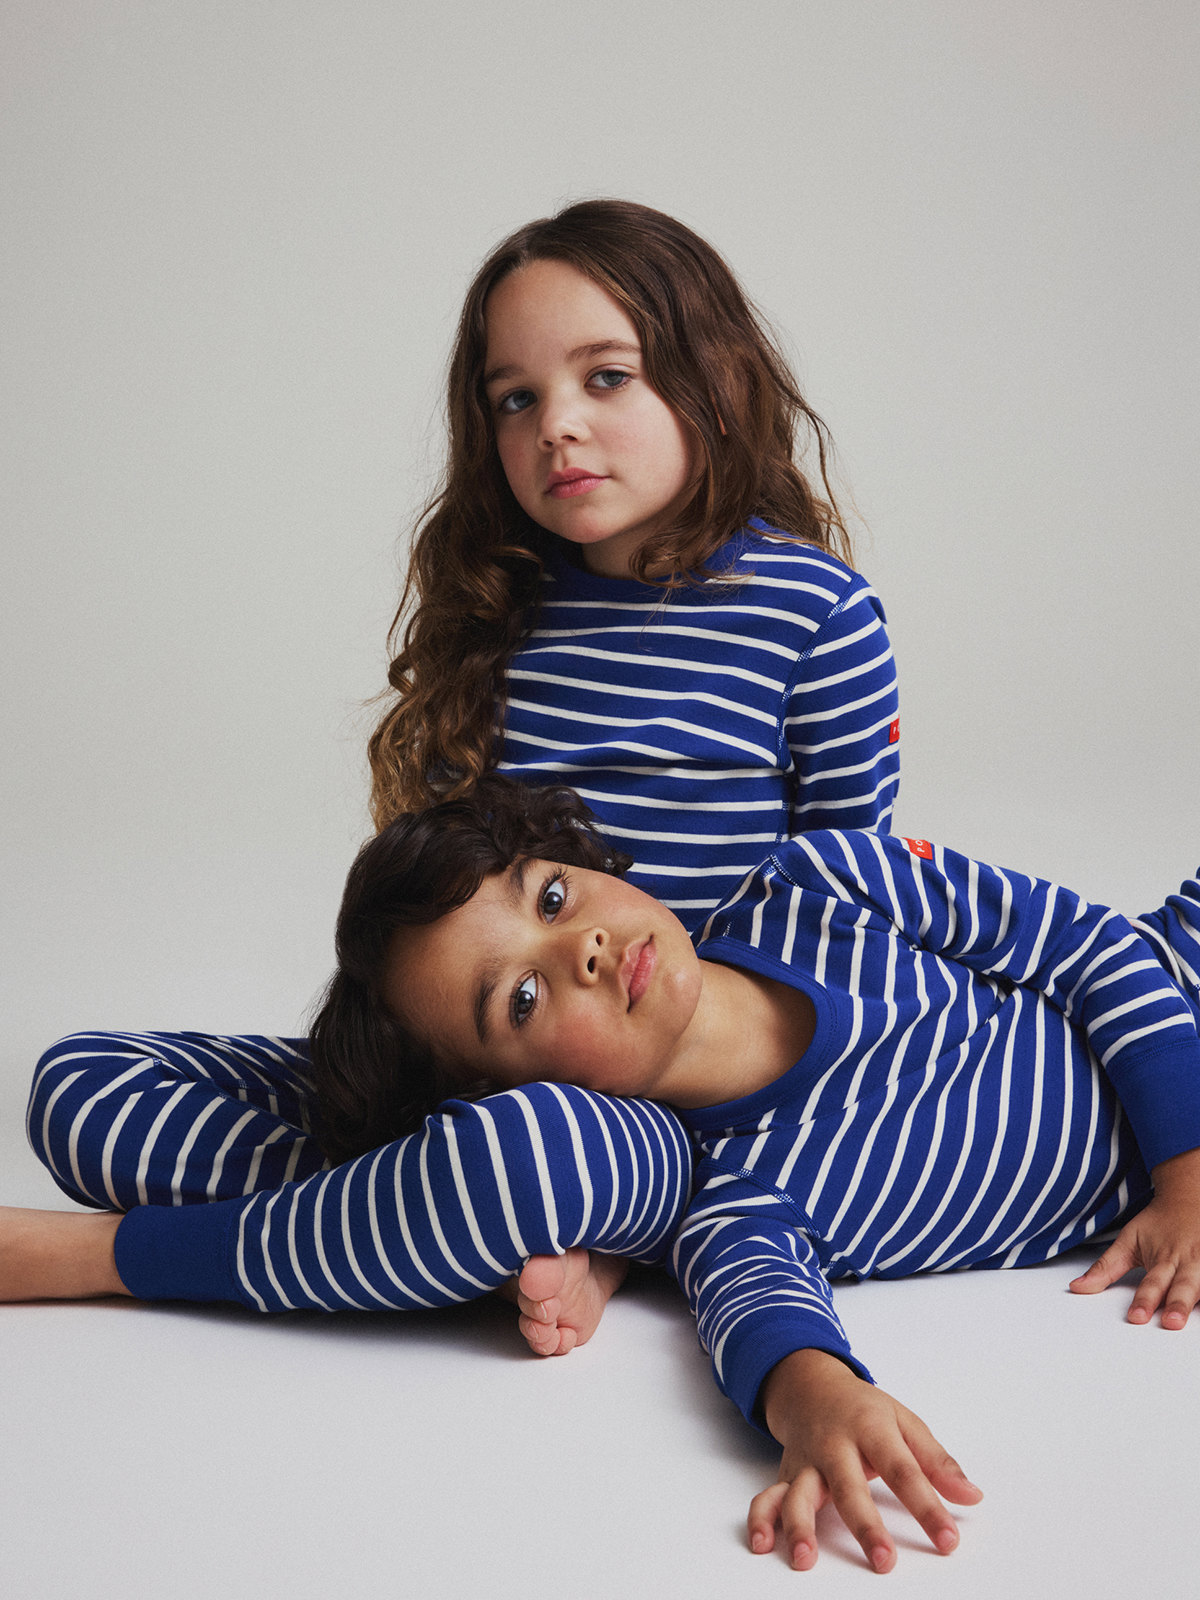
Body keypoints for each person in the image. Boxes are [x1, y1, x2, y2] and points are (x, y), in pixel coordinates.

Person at [22, 199, 901, 1353]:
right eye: (515, 399)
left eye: (606, 377)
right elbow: (454, 913)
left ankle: (122, 1256)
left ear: (718, 379)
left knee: (523, 1159)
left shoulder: (814, 613)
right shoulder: (500, 612)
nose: (557, 427)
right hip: (503, 1059)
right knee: (77, 1091)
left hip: (676, 1114)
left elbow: (853, 902)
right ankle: (428, 1216)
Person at [12, 778, 1200, 1574]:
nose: (578, 945)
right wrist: (823, 1404)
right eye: (522, 998)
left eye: (550, 896)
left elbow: (1095, 946)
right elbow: (765, 1309)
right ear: (513, 1093)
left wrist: (1186, 1174)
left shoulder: (825, 880)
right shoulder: (731, 1189)